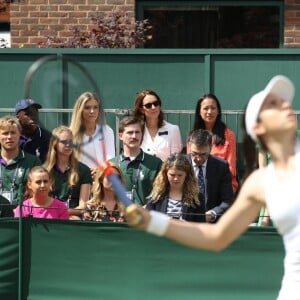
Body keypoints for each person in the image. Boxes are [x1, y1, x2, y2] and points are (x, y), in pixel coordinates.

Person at [125, 75, 300, 299]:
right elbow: (216, 237)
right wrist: (152, 221)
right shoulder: (259, 182)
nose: (286, 105)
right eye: (274, 104)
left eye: (284, 101)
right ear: (258, 127)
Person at [188, 94, 238, 192]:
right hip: (198, 181)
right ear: (199, 111)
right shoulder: (192, 135)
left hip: (223, 182)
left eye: (213, 108)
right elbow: (190, 165)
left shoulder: (228, 135)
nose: (209, 112)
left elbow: (231, 168)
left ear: (218, 111)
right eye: (206, 108)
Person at [110, 115, 162, 206]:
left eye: (137, 132)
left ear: (142, 135)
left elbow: (161, 194)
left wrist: (147, 208)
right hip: (116, 216)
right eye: (130, 133)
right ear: (120, 136)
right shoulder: (111, 164)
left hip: (145, 216)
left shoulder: (155, 163)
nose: (134, 136)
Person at [44, 126, 92, 220]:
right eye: (64, 142)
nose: (68, 145)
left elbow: (83, 206)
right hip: (48, 215)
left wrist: (62, 212)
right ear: (55, 144)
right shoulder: (44, 170)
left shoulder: (83, 170)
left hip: (73, 216)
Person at [187, 129, 234, 223]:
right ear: (189, 147)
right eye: (194, 154)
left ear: (210, 148)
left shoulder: (221, 166)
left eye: (203, 154)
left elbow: (228, 200)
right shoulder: (181, 164)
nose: (198, 158)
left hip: (212, 223)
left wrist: (213, 213)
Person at [146, 153, 205, 222]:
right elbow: (148, 222)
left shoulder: (197, 198)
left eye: (180, 175)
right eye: (172, 175)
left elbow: (201, 226)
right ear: (165, 174)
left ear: (186, 175)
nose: (176, 179)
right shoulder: (156, 195)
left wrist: (187, 225)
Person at [69, 91, 115, 178]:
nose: (92, 111)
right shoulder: (70, 133)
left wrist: (100, 171)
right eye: (87, 108)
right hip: (78, 179)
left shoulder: (107, 131)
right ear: (80, 110)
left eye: (95, 107)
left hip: (102, 179)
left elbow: (111, 158)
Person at [0, 116, 41, 207]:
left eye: (13, 133)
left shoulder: (33, 161)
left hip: (24, 215)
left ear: (20, 135)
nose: (9, 137)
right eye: (5, 133)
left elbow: (39, 192)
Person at [132, 89, 182, 161]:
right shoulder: (136, 130)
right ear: (141, 110)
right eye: (148, 105)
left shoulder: (173, 129)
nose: (153, 107)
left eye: (156, 103)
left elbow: (175, 160)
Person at [15, 98, 51, 163]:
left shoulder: (47, 137)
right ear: (18, 117)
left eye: (35, 112)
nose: (33, 116)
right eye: (28, 114)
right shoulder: (10, 137)